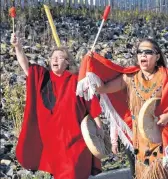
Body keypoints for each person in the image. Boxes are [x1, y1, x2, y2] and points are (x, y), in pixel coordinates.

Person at [85, 38, 168, 179]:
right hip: (139, 138)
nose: (143, 55)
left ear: (157, 56)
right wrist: (90, 63)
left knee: (160, 175)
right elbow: (102, 88)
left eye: (148, 52)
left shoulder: (167, 77)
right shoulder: (130, 77)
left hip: (160, 136)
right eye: (140, 52)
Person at [11, 33, 104, 179]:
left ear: (67, 62)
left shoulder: (76, 81)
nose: (55, 59)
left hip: (76, 140)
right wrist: (18, 47)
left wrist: (99, 129)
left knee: (73, 171)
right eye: (53, 57)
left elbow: (91, 103)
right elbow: (26, 66)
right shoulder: (43, 77)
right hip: (53, 142)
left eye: (60, 57)